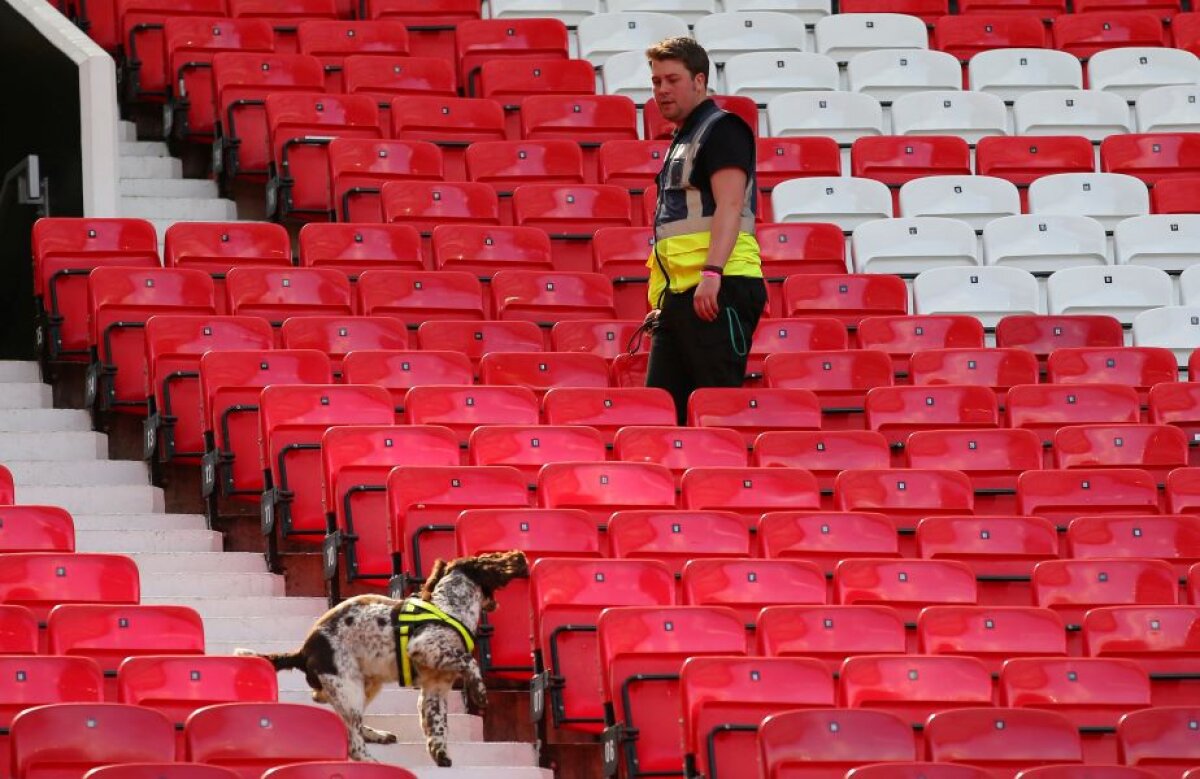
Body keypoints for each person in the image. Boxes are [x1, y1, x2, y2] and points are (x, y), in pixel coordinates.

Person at [642, 36, 767, 426]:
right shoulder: (685, 136)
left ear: (699, 81)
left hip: (718, 288)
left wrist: (712, 273)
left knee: (714, 415)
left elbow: (730, 205)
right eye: (656, 81)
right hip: (683, 297)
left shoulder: (722, 129)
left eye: (672, 80)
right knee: (663, 416)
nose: (662, 90)